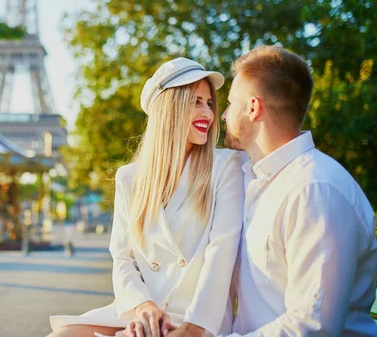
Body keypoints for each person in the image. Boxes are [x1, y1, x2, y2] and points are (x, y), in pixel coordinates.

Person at [49, 58, 245, 337]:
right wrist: (143, 305)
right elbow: (122, 258)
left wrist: (196, 327)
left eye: (209, 103)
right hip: (142, 312)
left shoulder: (226, 167)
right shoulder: (129, 178)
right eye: (196, 102)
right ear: (169, 110)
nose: (208, 114)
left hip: (198, 317)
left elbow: (221, 253)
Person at [217, 45, 377, 336]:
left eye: (230, 103)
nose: (224, 115)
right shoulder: (259, 178)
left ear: (253, 108)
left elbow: (313, 326)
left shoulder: (315, 190)